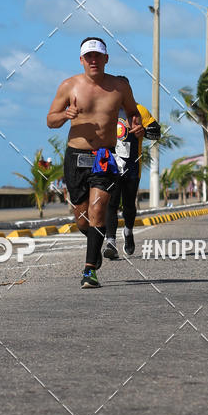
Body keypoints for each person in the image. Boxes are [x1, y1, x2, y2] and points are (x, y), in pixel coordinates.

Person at [47, 37, 143, 288]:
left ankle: (90, 269)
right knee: (82, 219)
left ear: (106, 59)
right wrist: (65, 115)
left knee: (98, 210)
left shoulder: (119, 87)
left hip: (103, 156)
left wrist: (136, 123)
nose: (93, 60)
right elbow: (50, 120)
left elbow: (133, 111)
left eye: (98, 56)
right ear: (81, 60)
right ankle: (96, 242)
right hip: (75, 157)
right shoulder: (69, 86)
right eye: (88, 56)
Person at [103, 83, 161, 260]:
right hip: (110, 166)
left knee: (128, 205)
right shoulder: (106, 110)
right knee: (111, 203)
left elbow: (156, 133)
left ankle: (128, 231)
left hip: (131, 167)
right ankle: (110, 242)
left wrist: (143, 131)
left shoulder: (140, 111)